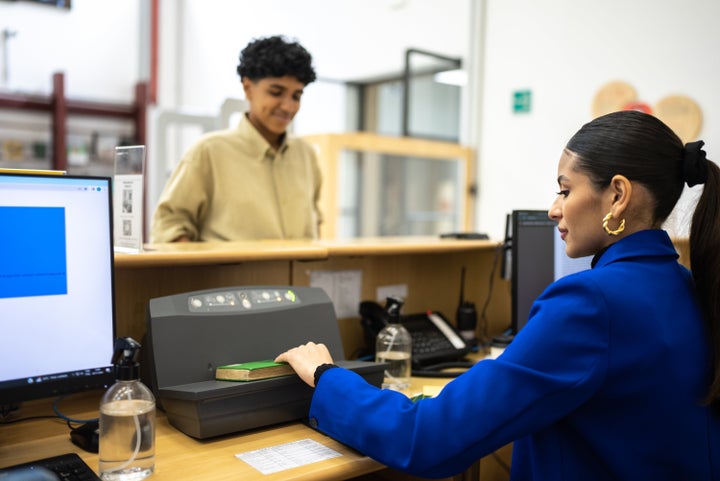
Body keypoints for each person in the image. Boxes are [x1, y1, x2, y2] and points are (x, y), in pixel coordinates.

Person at [276, 110, 720, 480]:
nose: (554, 208)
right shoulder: (681, 282)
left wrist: (328, 376)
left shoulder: (592, 302)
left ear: (618, 195)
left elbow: (428, 439)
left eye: (565, 190)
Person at [151, 35, 322, 243]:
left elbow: (316, 225)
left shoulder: (306, 156)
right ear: (248, 88)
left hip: (299, 276)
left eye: (297, 96)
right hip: (228, 276)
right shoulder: (209, 152)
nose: (288, 106)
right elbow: (168, 224)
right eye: (276, 92)